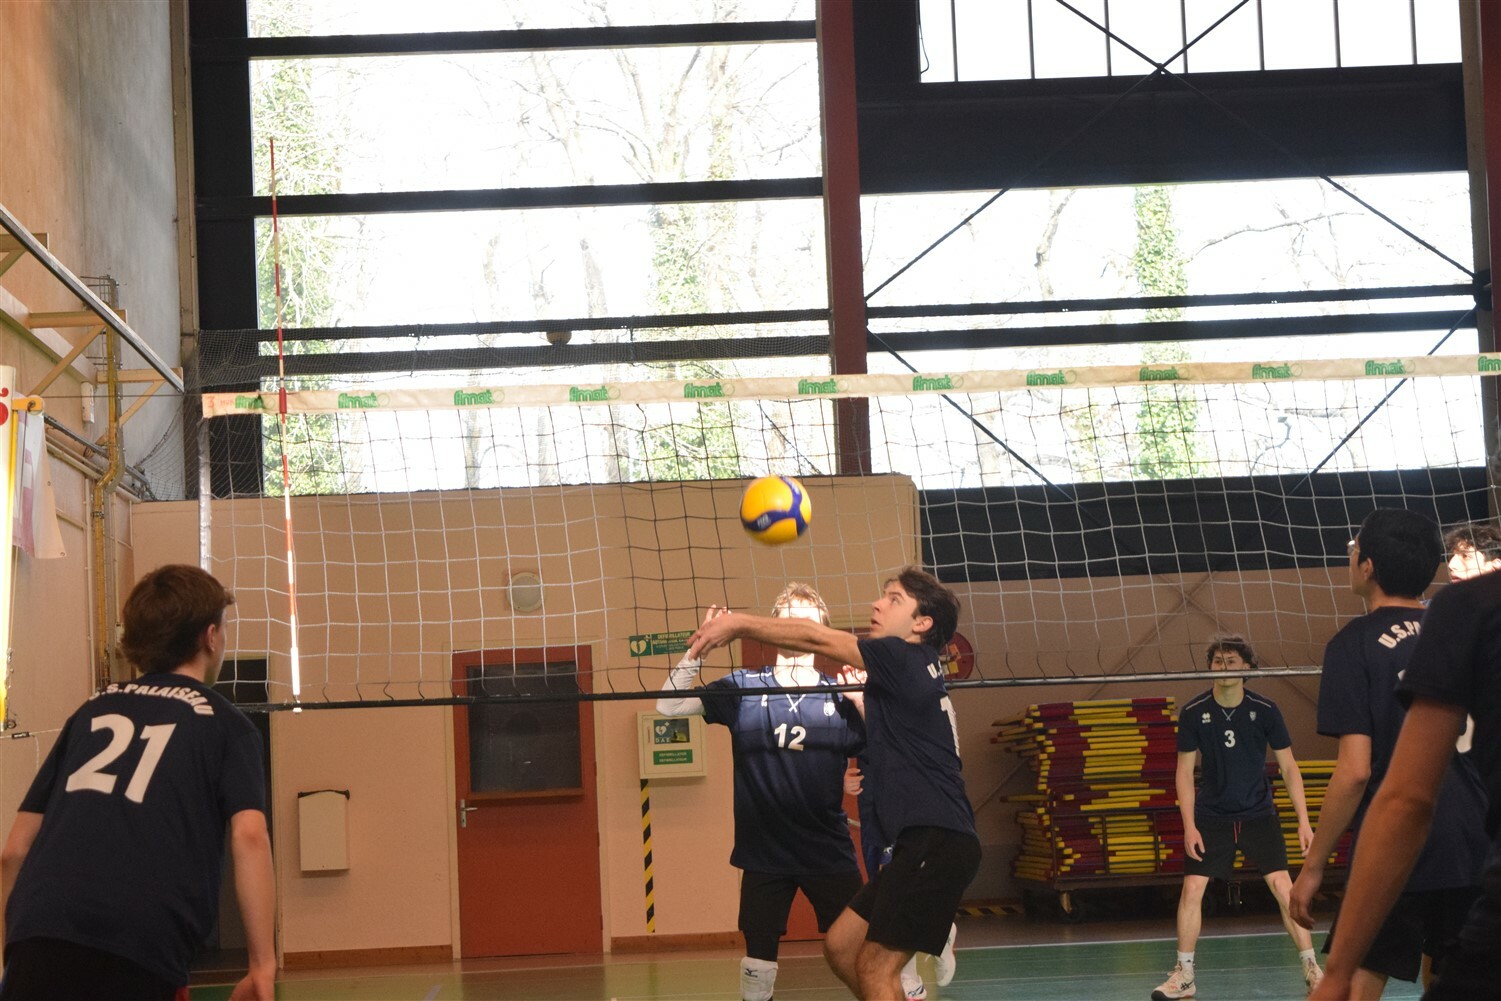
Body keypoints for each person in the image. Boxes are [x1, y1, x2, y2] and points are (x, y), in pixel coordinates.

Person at [687, 566, 977, 1001]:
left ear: (921, 624)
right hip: (922, 840)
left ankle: (937, 934)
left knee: (876, 967)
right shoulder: (908, 675)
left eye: (894, 599)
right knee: (842, 946)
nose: (877, 604)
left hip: (936, 840)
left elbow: (816, 638)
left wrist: (737, 623)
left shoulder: (901, 657)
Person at [0, 564, 275, 1000]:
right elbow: (250, 836)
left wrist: (12, 954)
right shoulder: (228, 725)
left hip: (40, 931)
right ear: (210, 636)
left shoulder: (91, 711)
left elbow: (13, 851)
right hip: (139, 942)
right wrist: (262, 964)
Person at [1288, 510, 1489, 1000]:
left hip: (1398, 839)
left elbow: (1355, 771)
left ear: (1368, 566)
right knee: (1456, 979)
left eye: (1353, 547)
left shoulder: (1352, 645)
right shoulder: (1464, 632)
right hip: (1476, 841)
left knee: (1355, 979)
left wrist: (1314, 866)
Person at [658, 582, 866, 1001]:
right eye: (789, 619)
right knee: (757, 963)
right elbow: (669, 706)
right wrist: (699, 648)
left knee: (861, 948)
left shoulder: (841, 694)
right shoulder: (745, 687)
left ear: (823, 630)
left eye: (808, 622)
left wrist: (862, 702)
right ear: (773, 628)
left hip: (826, 849)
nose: (798, 629)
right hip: (763, 852)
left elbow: (890, 747)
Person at [1151, 634, 1321, 1001]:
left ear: (1247, 668)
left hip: (1258, 813)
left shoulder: (1266, 709)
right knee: (1192, 888)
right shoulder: (1194, 712)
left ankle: (1312, 970)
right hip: (1212, 816)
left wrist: (1304, 822)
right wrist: (1189, 826)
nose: (1223, 667)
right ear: (1209, 667)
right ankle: (1184, 974)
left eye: (1231, 661)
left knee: (1283, 888)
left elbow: (1289, 768)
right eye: (1217, 661)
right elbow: (1184, 773)